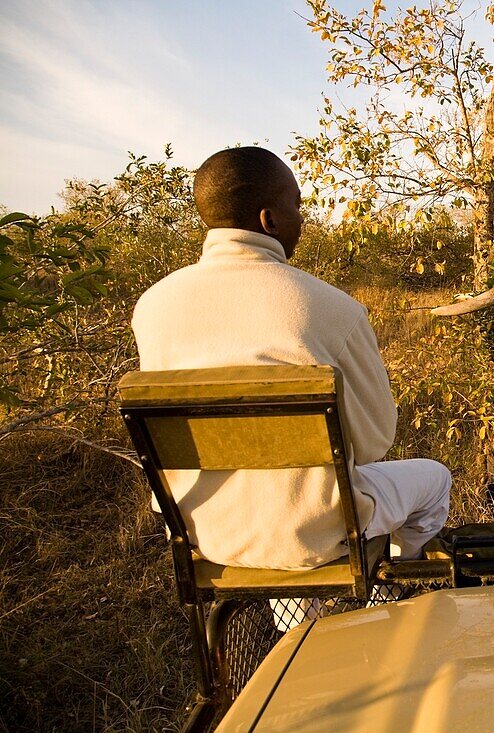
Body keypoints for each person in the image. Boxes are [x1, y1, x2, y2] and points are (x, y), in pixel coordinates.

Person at [131, 146, 451, 576]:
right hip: (313, 532)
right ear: (270, 220)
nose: (302, 219)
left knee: (285, 509)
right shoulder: (334, 308)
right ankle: (401, 578)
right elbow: (376, 440)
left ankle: (294, 629)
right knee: (434, 480)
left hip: (203, 529)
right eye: (297, 205)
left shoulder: (153, 306)